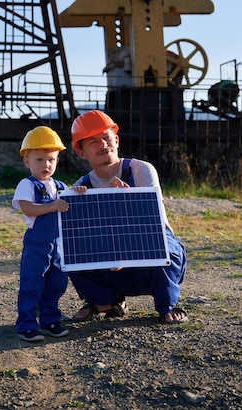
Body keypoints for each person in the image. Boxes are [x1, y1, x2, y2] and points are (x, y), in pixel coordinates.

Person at [69, 110, 188, 325]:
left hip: (151, 246)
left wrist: (125, 202)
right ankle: (107, 302)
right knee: (69, 253)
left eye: (106, 137)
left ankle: (167, 305)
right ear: (81, 152)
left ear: (116, 140)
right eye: (93, 141)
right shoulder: (81, 186)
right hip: (109, 257)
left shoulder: (140, 169)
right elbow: (79, 234)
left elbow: (152, 219)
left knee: (166, 249)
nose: (103, 144)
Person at [12, 126, 86, 342]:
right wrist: (52, 206)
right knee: (32, 283)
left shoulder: (60, 186)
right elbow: (28, 209)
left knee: (56, 283)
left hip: (59, 245)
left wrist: (78, 192)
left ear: (57, 161)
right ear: (27, 161)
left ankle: (50, 320)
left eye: (51, 160)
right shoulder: (27, 184)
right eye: (40, 160)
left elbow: (71, 205)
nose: (46, 165)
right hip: (38, 244)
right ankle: (26, 324)